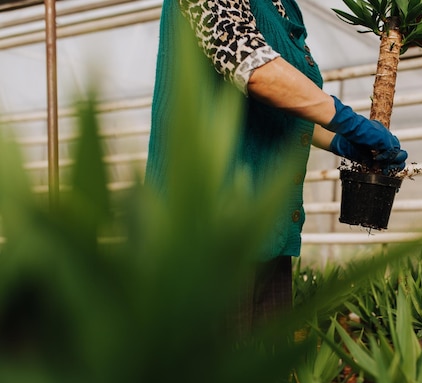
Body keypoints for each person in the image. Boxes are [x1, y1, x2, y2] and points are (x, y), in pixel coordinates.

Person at [145, 0, 408, 332]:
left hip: (264, 229)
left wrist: (342, 142)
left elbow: (282, 102)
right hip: (206, 233)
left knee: (265, 372)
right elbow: (247, 62)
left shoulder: (285, 7)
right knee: (215, 374)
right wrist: (345, 120)